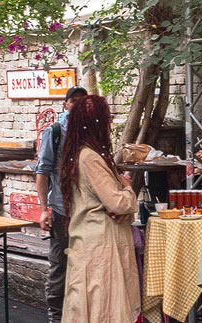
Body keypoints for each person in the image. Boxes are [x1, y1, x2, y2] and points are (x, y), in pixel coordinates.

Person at [58, 95, 140, 323]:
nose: (110, 123)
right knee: (103, 308)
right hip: (100, 245)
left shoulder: (80, 153)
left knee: (93, 307)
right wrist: (128, 188)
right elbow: (117, 203)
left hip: (93, 241)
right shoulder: (90, 157)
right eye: (107, 118)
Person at [35, 85, 86, 323]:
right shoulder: (54, 131)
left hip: (89, 211)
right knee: (60, 266)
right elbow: (42, 172)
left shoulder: (92, 131)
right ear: (65, 104)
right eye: (73, 101)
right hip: (61, 209)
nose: (77, 104)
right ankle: (56, 317)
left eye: (82, 101)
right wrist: (43, 209)